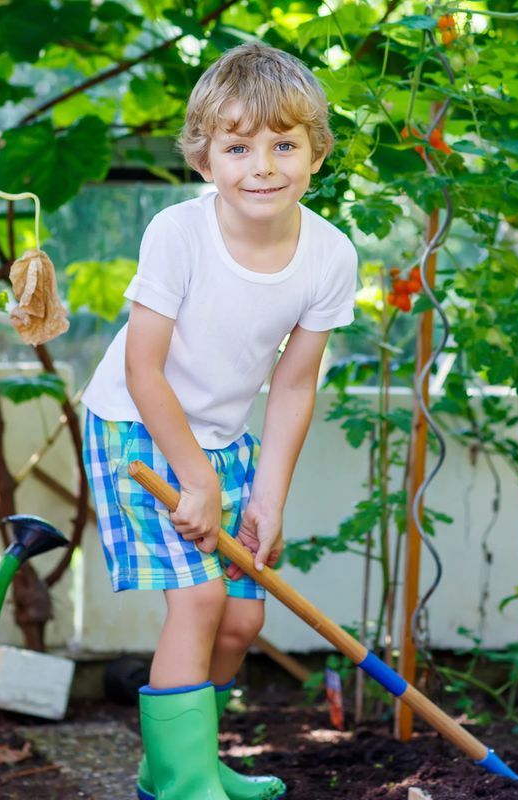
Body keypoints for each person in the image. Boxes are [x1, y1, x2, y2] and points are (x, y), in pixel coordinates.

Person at [82, 41, 358, 800]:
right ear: (206, 161)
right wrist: (196, 480)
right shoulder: (179, 234)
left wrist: (268, 498)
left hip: (223, 440)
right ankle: (179, 788)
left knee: (239, 620)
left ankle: (182, 765)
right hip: (136, 426)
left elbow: (295, 387)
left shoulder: (330, 257)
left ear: (316, 153)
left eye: (283, 144)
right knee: (200, 601)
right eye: (238, 146)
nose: (262, 164)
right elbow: (144, 370)